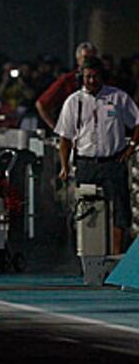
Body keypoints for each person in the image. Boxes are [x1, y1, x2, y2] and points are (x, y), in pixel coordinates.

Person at [56, 57, 139, 254]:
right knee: (86, 209)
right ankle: (88, 253)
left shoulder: (118, 97)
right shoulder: (73, 102)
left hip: (114, 161)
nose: (91, 81)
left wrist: (131, 147)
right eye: (87, 77)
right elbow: (65, 137)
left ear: (102, 76)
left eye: (95, 76)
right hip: (86, 163)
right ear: (81, 78)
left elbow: (137, 122)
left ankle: (116, 253)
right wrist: (64, 165)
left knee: (120, 208)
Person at [36, 42, 98, 130]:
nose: (89, 61)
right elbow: (41, 104)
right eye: (86, 58)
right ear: (78, 60)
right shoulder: (68, 79)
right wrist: (55, 128)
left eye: (93, 58)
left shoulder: (103, 81)